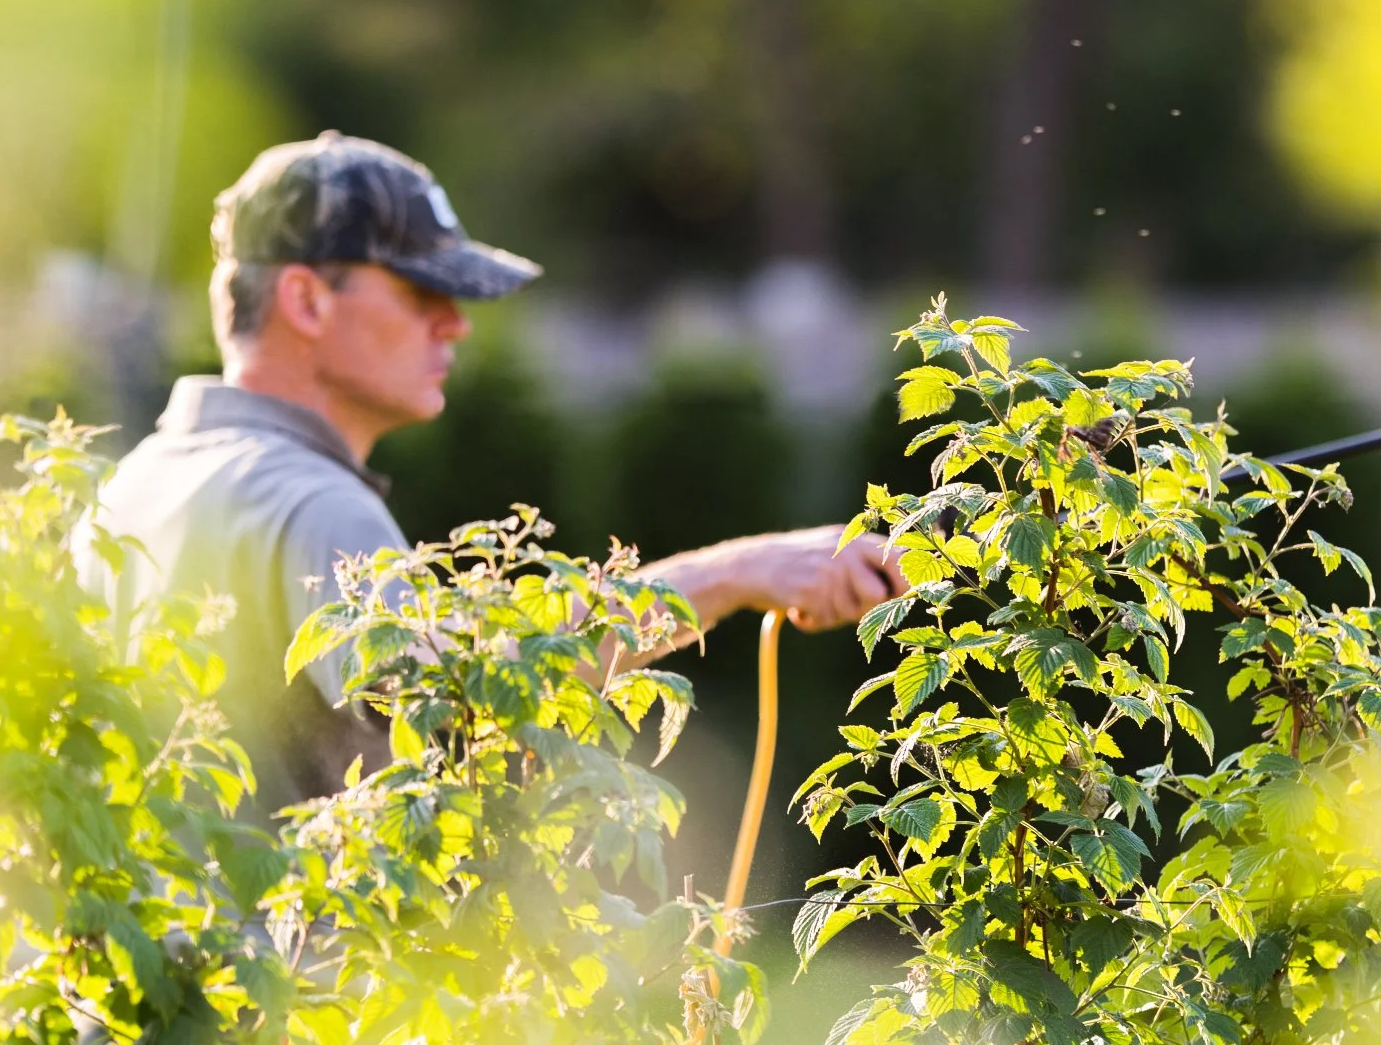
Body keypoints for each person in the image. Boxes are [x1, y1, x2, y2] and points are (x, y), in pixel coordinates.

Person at [78, 131, 904, 815]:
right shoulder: (311, 502)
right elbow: (475, 705)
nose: (455, 325)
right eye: (419, 289)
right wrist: (740, 572)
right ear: (305, 301)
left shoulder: (126, 489)